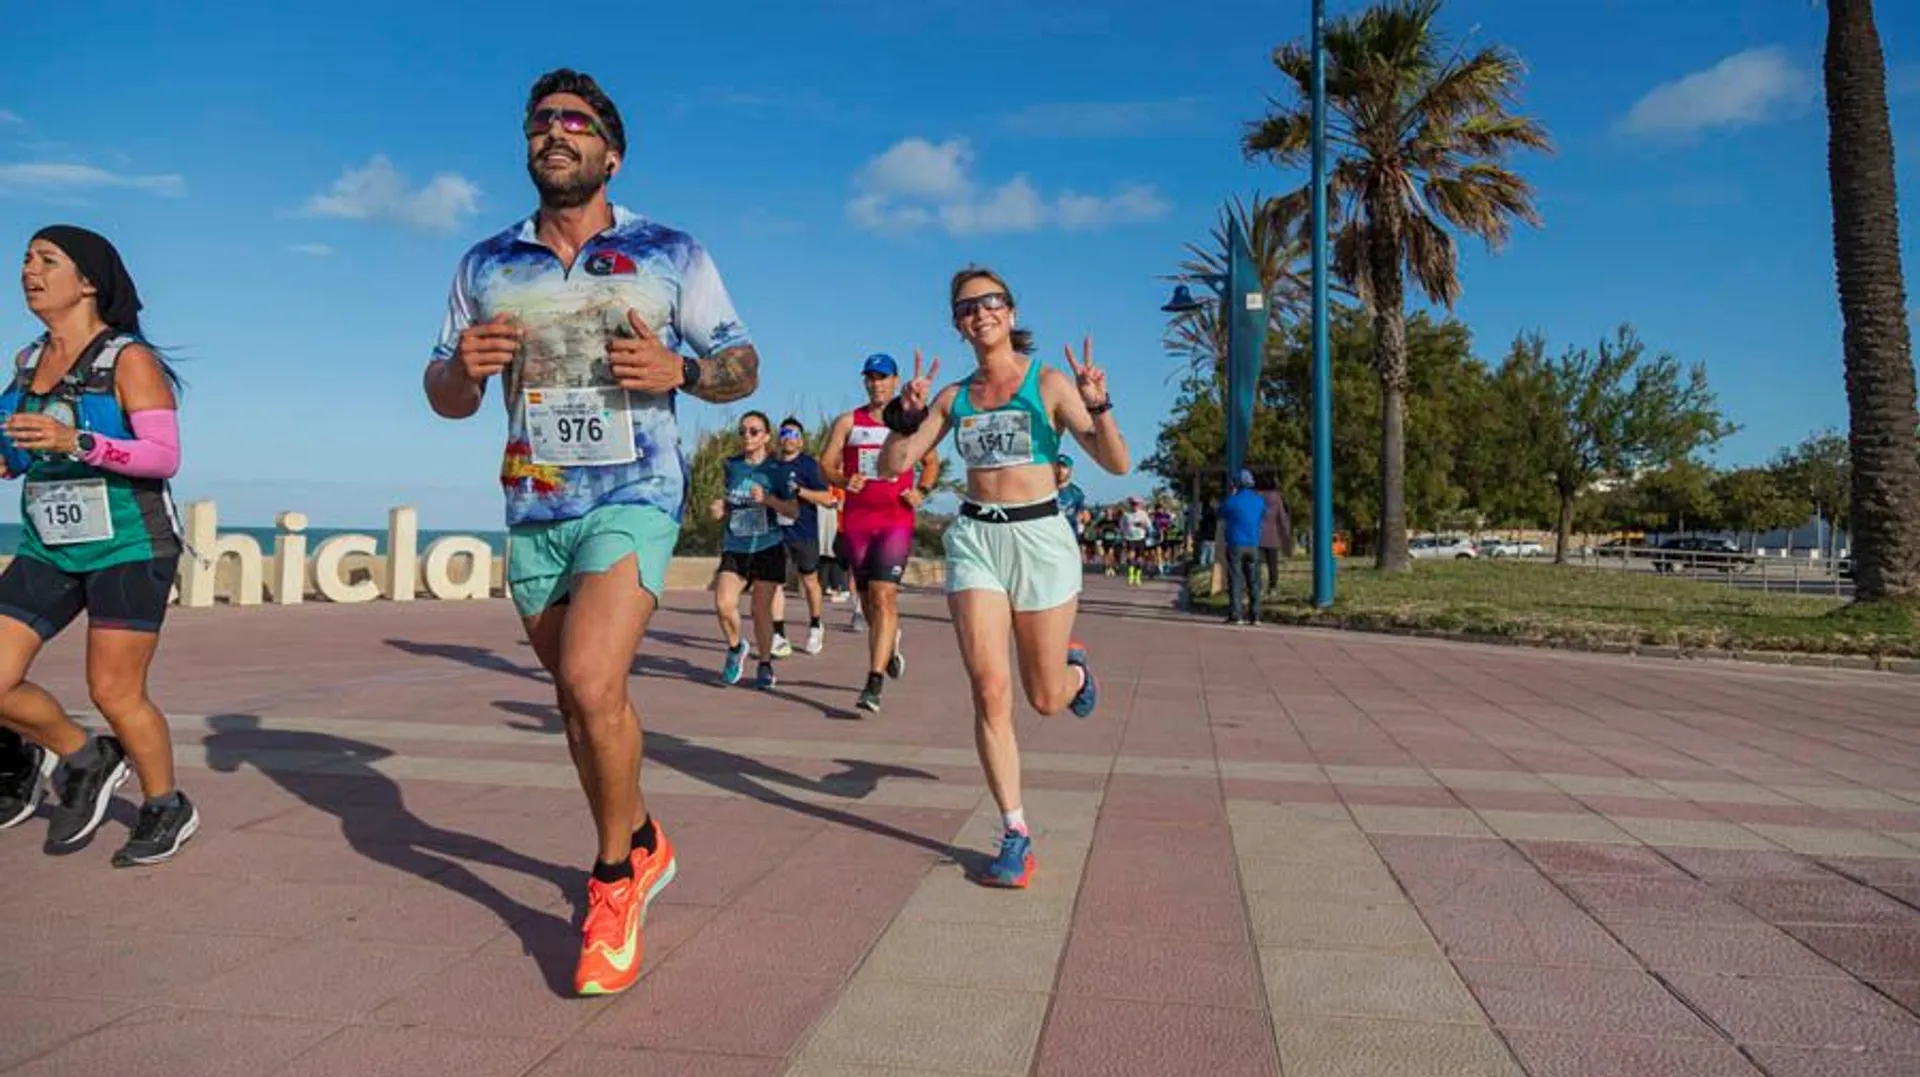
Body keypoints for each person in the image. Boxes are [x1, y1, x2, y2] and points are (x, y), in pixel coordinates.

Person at [421, 68, 762, 997]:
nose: (554, 134)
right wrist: (462, 367)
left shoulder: (669, 252)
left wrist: (679, 371)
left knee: (589, 677)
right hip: (535, 507)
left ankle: (612, 880)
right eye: (540, 124)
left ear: (611, 152)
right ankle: (645, 839)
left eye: (574, 123)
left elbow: (741, 361)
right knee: (582, 708)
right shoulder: (486, 265)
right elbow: (446, 397)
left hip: (636, 494)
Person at [879, 265, 1128, 888]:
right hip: (976, 541)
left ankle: (1075, 673)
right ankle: (1015, 831)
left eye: (992, 302)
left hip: (1041, 539)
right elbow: (895, 466)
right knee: (991, 690)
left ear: (1011, 314)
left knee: (1043, 699)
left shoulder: (1047, 383)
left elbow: (1117, 464)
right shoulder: (952, 397)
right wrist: (903, 421)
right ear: (957, 324)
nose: (980, 312)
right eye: (967, 307)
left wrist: (1098, 406)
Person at [0, 225, 195, 867]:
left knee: (115, 691)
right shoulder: (28, 362)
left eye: (46, 260)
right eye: (26, 259)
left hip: (130, 545)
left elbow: (164, 456)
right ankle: (82, 756)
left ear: (87, 281)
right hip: (50, 545)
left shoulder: (127, 360)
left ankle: (166, 805)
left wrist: (77, 444)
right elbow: (11, 450)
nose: (29, 269)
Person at [820, 353, 940, 713]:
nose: (876, 383)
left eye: (883, 377)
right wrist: (843, 479)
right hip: (858, 520)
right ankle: (890, 644)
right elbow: (825, 464)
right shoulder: (848, 422)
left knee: (885, 594)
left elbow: (930, 463)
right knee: (871, 602)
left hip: (895, 519)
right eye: (870, 377)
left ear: (895, 380)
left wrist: (922, 491)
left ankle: (873, 681)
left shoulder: (907, 421)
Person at [711, 411, 800, 689]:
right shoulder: (732, 465)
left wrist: (769, 500)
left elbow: (793, 510)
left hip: (768, 547)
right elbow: (728, 499)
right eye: (743, 431)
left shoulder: (777, 468)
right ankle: (736, 647)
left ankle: (764, 663)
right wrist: (720, 508)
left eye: (754, 431)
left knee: (760, 611)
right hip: (735, 546)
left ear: (766, 437)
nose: (747, 436)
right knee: (723, 604)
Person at [765, 416, 832, 656]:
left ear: (801, 441)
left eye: (793, 435)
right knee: (775, 584)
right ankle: (778, 634)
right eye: (784, 434)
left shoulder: (809, 465)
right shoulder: (771, 464)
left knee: (809, 581)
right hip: (776, 533)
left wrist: (801, 491)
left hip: (804, 532)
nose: (788, 439)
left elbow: (827, 499)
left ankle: (815, 625)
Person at [1217, 469, 1269, 625]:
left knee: (1236, 579)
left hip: (1235, 544)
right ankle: (1256, 615)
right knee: (1254, 580)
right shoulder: (1259, 501)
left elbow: (1221, 513)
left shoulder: (1231, 501)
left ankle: (1236, 614)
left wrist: (1232, 494)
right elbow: (1263, 514)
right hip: (1253, 544)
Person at [1258, 471, 1295, 590]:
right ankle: (1272, 585)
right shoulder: (1277, 500)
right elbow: (1282, 519)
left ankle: (1256, 585)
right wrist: (1286, 534)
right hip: (1273, 537)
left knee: (1256, 563)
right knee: (1272, 563)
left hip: (1258, 535)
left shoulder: (1257, 497)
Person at [1120, 496, 1152, 586]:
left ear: (1140, 505)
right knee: (1131, 557)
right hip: (1130, 539)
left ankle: (1137, 577)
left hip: (1140, 538)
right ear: (1130, 505)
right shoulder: (1126, 515)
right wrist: (1124, 536)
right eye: (1133, 504)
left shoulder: (1143, 514)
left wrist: (1143, 525)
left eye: (1137, 504)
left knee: (1140, 560)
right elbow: (1122, 526)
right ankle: (1130, 577)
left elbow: (1149, 526)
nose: (1135, 506)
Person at [1054, 454, 1087, 542]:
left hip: (1070, 539)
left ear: (1070, 470)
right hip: (1050, 539)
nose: (1060, 470)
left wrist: (1081, 520)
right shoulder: (1046, 490)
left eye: (1064, 467)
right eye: (1057, 466)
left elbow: (1083, 514)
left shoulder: (1076, 493)